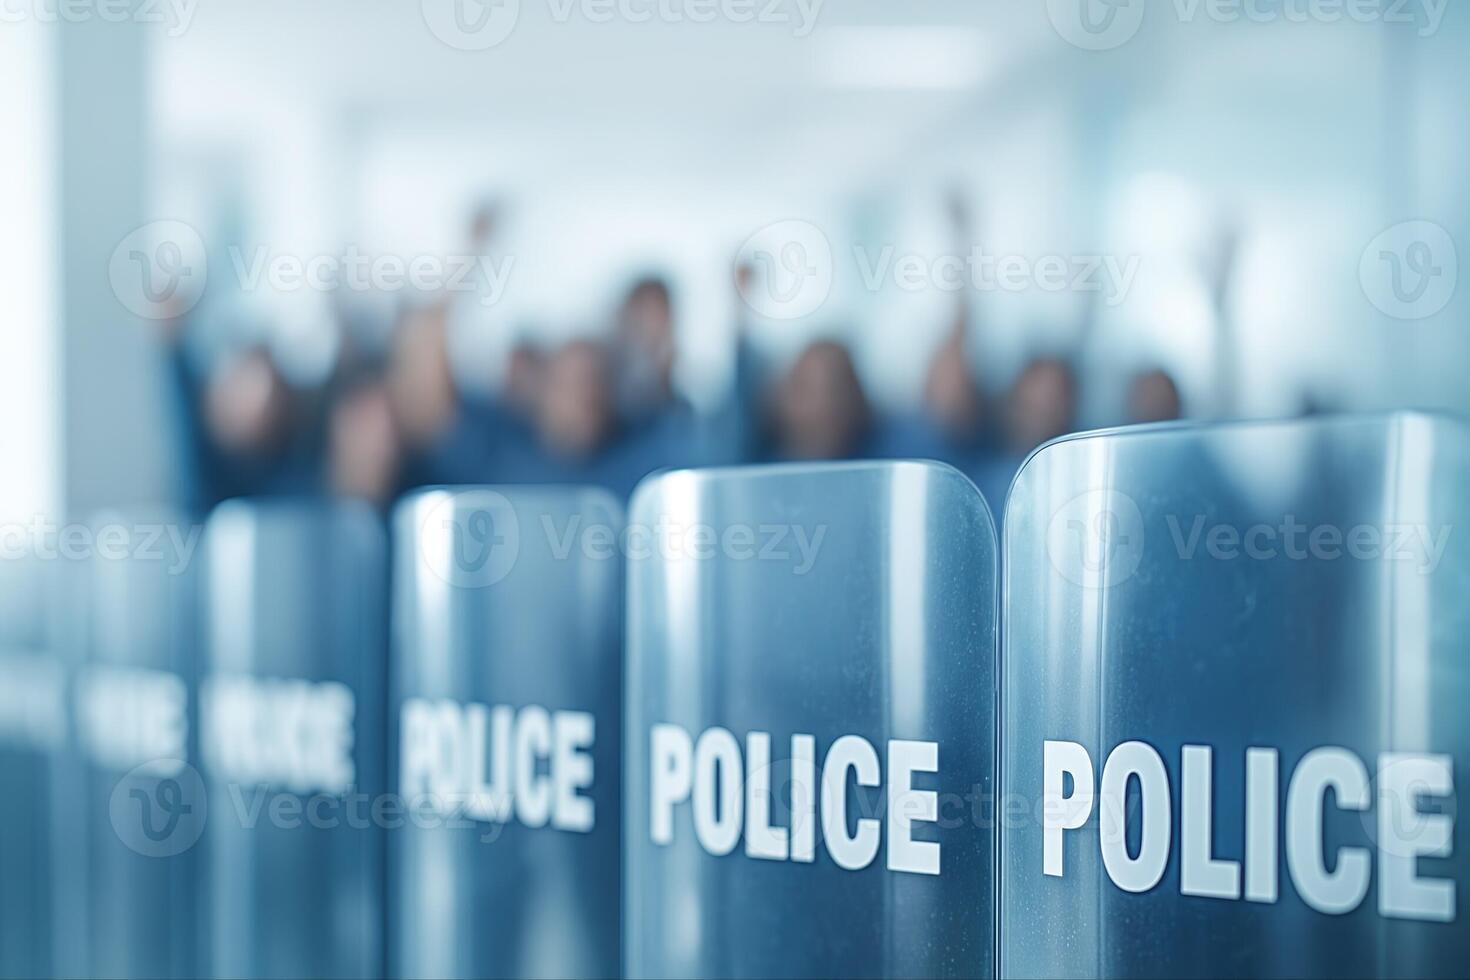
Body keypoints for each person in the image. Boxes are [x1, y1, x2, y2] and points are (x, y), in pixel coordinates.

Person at [767, 339, 872, 461]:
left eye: (833, 390)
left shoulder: (881, 461)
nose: (821, 405)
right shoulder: (762, 464)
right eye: (803, 388)